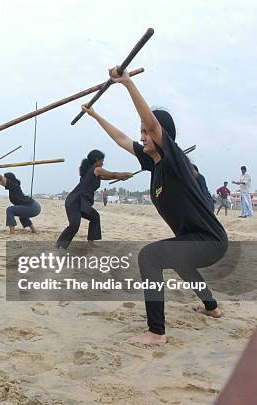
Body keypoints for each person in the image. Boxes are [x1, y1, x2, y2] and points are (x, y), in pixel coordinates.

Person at [81, 67, 228, 345]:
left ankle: (156, 332)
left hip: (211, 241)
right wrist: (95, 114)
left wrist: (127, 84)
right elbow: (122, 140)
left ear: (161, 136)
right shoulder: (153, 163)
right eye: (142, 132)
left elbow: (152, 122)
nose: (142, 136)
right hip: (196, 239)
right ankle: (212, 307)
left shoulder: (175, 161)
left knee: (149, 256)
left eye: (146, 132)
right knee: (182, 263)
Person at [56, 149, 132, 249]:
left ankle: (90, 243)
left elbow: (108, 177)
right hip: (74, 201)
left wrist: (121, 178)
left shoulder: (93, 171)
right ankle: (59, 245)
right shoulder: (96, 169)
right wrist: (126, 174)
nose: (103, 162)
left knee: (95, 217)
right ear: (97, 160)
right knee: (74, 225)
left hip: (82, 202)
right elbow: (113, 174)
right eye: (102, 160)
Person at [0, 169, 40, 234]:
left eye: (5, 178)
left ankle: (12, 232)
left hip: (32, 207)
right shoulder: (12, 185)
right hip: (33, 207)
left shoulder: (14, 185)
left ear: (9, 179)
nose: (3, 179)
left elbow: (0, 177)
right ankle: (34, 230)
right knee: (22, 215)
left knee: (10, 210)